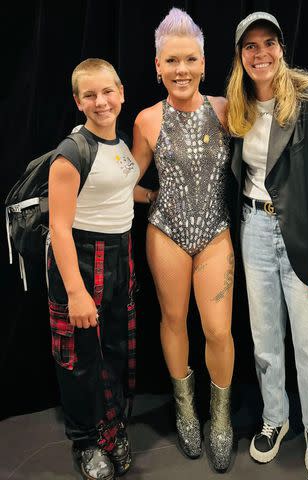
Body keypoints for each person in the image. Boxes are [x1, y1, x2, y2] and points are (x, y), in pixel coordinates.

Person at [226, 11, 308, 480]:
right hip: (254, 228)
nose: (261, 54)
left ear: (282, 48)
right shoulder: (237, 107)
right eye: (250, 46)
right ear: (240, 56)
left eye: (269, 44)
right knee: (264, 339)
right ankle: (274, 419)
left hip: (305, 235)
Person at [131, 7, 234, 472]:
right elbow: (126, 181)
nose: (182, 70)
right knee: (174, 319)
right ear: (158, 66)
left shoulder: (226, 110)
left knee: (217, 329)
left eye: (190, 60)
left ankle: (220, 417)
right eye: (172, 61)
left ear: (204, 63)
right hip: (167, 232)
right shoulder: (147, 120)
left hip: (215, 231)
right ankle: (186, 409)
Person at [48, 58, 154, 480]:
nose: (101, 101)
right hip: (80, 257)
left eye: (107, 91)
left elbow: (124, 193)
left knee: (112, 349)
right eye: (89, 95)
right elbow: (58, 226)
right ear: (78, 101)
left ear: (122, 92)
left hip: (119, 254)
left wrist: (170, 198)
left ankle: (111, 429)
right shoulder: (71, 152)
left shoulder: (122, 144)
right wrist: (75, 291)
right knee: (79, 358)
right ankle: (86, 441)